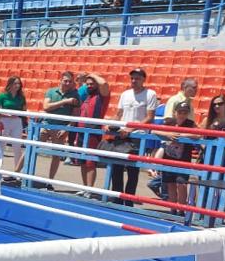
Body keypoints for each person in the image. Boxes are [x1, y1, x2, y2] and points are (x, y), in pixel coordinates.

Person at [108, 67, 158, 207]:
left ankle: (128, 200)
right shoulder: (125, 94)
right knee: (116, 167)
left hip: (137, 135)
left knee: (132, 169)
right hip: (122, 133)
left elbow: (149, 117)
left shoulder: (150, 94)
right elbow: (119, 114)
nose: (134, 81)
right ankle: (117, 197)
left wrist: (131, 128)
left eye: (137, 78)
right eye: (132, 78)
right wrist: (109, 124)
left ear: (143, 80)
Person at [154, 101, 199, 215]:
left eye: (185, 112)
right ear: (175, 112)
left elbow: (199, 134)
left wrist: (181, 134)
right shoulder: (169, 122)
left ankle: (181, 210)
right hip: (169, 159)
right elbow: (154, 130)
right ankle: (173, 209)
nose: (182, 115)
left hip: (183, 161)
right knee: (170, 185)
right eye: (180, 112)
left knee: (182, 185)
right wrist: (167, 134)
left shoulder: (190, 124)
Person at [40, 71, 81, 188]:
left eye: (70, 81)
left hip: (60, 129)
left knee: (56, 155)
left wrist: (67, 128)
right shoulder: (51, 91)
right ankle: (18, 173)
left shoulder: (75, 95)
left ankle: (50, 182)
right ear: (60, 80)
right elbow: (46, 107)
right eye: (65, 81)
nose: (67, 83)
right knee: (31, 148)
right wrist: (65, 101)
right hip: (46, 124)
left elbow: (75, 115)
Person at [77, 73, 111, 197]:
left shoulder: (102, 96)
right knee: (82, 161)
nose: (89, 86)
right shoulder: (87, 96)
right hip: (81, 132)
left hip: (93, 132)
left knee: (90, 162)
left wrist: (92, 74)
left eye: (92, 84)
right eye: (88, 84)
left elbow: (104, 83)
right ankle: (84, 187)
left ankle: (90, 189)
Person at [0, 76, 28, 181]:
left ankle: (18, 173)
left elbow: (24, 110)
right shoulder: (3, 96)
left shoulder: (21, 97)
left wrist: (19, 115)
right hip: (4, 121)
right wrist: (7, 114)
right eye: (15, 83)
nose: (17, 86)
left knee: (17, 147)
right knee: (1, 147)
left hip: (17, 122)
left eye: (19, 83)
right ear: (10, 84)